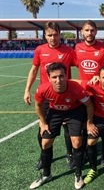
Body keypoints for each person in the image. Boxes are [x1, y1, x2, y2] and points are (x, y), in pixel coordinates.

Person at [29, 62, 96, 190]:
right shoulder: (43, 89)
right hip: (55, 112)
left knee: (76, 142)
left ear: (66, 76)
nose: (58, 80)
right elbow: (38, 105)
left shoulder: (76, 88)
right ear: (49, 78)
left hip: (74, 112)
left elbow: (89, 105)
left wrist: (89, 122)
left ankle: (78, 174)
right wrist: (43, 122)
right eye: (54, 77)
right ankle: (46, 175)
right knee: (45, 143)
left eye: (61, 76)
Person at [23, 21, 76, 171]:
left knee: (68, 129)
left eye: (55, 34)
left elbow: (84, 65)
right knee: (43, 129)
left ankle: (69, 154)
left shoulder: (68, 51)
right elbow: (33, 71)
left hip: (66, 95)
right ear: (45, 35)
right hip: (46, 97)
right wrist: (27, 90)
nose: (53, 38)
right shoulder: (40, 50)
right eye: (50, 35)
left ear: (60, 35)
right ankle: (44, 156)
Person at [75, 19, 104, 166]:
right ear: (82, 32)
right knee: (84, 124)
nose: (89, 33)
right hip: (83, 93)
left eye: (92, 30)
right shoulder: (77, 48)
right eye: (87, 30)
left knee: (102, 124)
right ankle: (82, 153)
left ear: (96, 31)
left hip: (101, 93)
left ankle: (103, 154)